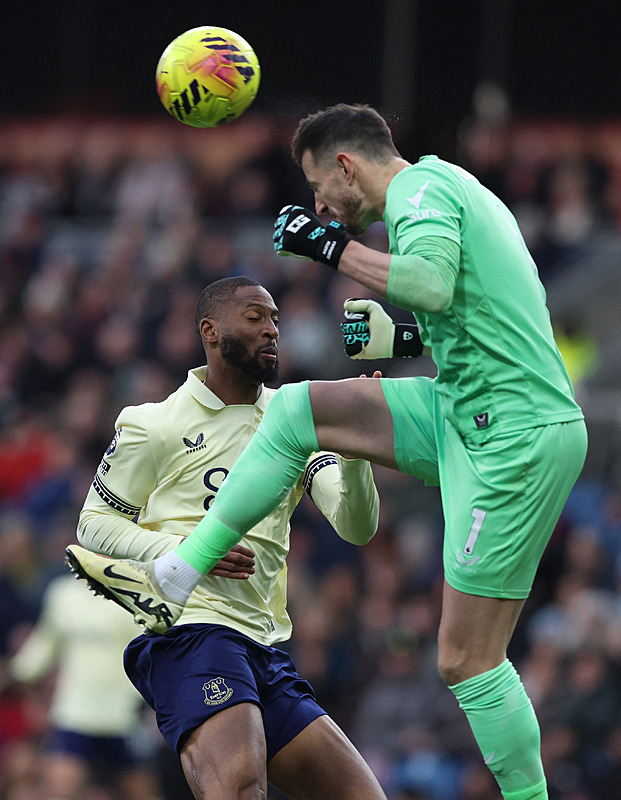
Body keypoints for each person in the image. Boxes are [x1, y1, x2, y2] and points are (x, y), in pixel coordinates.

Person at [67, 105, 588, 800]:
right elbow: (482, 315)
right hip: (467, 406)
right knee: (302, 409)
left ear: (347, 165)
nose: (319, 206)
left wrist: (327, 246)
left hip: (511, 434)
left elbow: (430, 283)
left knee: (466, 658)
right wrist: (402, 343)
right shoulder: (447, 191)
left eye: (319, 190)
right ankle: (181, 569)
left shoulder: (418, 192)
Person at [66, 275, 386, 800]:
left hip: (264, 644)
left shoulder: (295, 420)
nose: (271, 331)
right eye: (255, 318)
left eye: (276, 320)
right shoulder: (156, 424)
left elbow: (356, 527)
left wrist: (356, 452)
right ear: (210, 332)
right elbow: (93, 524)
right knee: (239, 790)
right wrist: (190, 553)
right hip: (193, 632)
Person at [8, 574, 161, 800]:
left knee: (141, 790)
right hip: (75, 711)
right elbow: (47, 641)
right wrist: (18, 672)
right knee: (61, 787)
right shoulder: (63, 594)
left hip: (124, 713)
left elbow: (151, 652)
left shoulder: (137, 591)